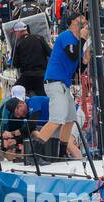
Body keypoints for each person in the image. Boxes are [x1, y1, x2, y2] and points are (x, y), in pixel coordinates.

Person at [34, 13, 88, 160]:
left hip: (64, 85)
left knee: (70, 118)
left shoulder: (78, 43)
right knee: (57, 119)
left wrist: (86, 57)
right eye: (80, 20)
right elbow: (72, 55)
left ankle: (62, 152)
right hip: (55, 82)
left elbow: (78, 70)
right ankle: (35, 154)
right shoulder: (66, 36)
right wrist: (83, 39)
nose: (83, 23)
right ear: (71, 22)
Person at [10, 20, 49, 96]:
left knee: (15, 92)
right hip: (41, 75)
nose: (15, 35)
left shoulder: (18, 43)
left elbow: (15, 64)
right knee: (42, 97)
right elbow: (50, 53)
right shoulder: (39, 38)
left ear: (18, 31)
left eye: (15, 33)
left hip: (27, 76)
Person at [0, 84, 32, 152]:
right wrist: (5, 136)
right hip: (10, 128)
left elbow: (30, 123)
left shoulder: (29, 102)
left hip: (22, 128)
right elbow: (4, 123)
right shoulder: (5, 104)